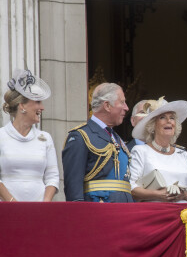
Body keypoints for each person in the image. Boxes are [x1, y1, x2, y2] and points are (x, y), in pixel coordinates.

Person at [62, 83, 133, 202]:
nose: (126, 108)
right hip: (98, 210)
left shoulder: (117, 138)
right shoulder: (81, 136)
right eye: (122, 102)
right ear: (107, 106)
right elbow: (73, 186)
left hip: (124, 210)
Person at [0, 69, 59, 201]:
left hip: (38, 211)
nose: (42, 107)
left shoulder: (45, 138)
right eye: (38, 102)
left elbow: (52, 177)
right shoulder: (1, 136)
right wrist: (11, 202)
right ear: (22, 106)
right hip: (6, 210)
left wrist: (45, 204)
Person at [129, 97, 187, 203]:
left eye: (172, 118)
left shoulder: (182, 154)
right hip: (154, 214)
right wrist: (159, 195)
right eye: (162, 117)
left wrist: (184, 195)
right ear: (153, 125)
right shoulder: (140, 151)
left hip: (183, 215)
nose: (169, 121)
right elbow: (132, 189)